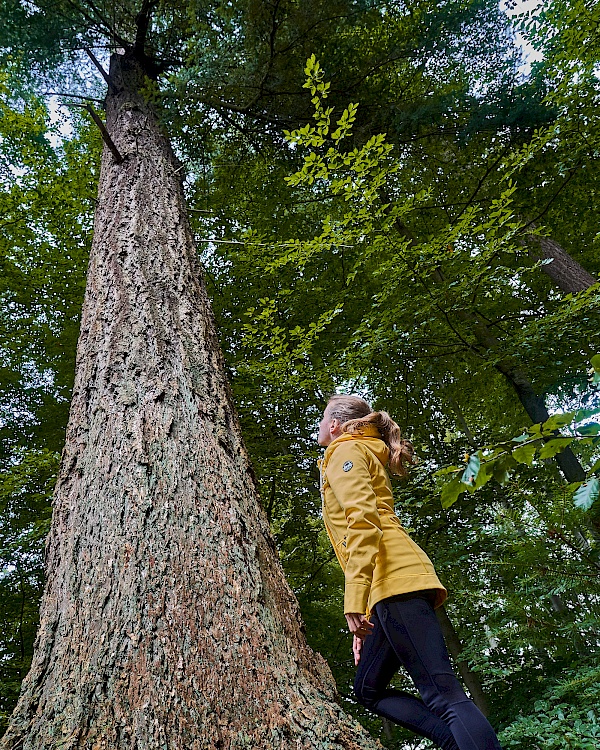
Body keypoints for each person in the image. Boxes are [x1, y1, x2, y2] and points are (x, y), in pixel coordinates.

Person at [318, 395, 503, 750]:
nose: (320, 426)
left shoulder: (344, 451)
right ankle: (455, 743)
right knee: (367, 689)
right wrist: (368, 609)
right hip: (386, 585)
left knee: (444, 694)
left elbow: (364, 521)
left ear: (336, 425)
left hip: (395, 579)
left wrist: (354, 597)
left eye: (323, 419)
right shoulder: (356, 451)